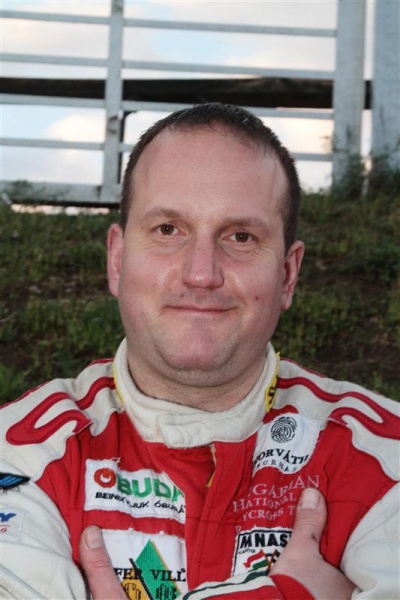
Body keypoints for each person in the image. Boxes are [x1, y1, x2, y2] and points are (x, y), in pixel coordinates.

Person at [1, 103, 398, 600]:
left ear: (287, 274)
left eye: (240, 236)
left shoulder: (382, 454)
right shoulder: (20, 454)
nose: (201, 273)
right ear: (118, 259)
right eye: (168, 230)